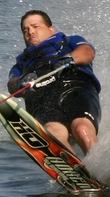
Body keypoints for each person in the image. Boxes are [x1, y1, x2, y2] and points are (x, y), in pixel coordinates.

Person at [7, 10, 101, 155]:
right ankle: (77, 172)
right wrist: (20, 82)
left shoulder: (69, 42)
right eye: (25, 30)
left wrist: (70, 59)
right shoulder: (21, 63)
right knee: (53, 134)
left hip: (76, 88)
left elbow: (88, 52)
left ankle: (104, 172)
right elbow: (12, 85)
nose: (30, 32)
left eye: (35, 26)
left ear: (51, 29)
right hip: (42, 100)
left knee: (81, 129)